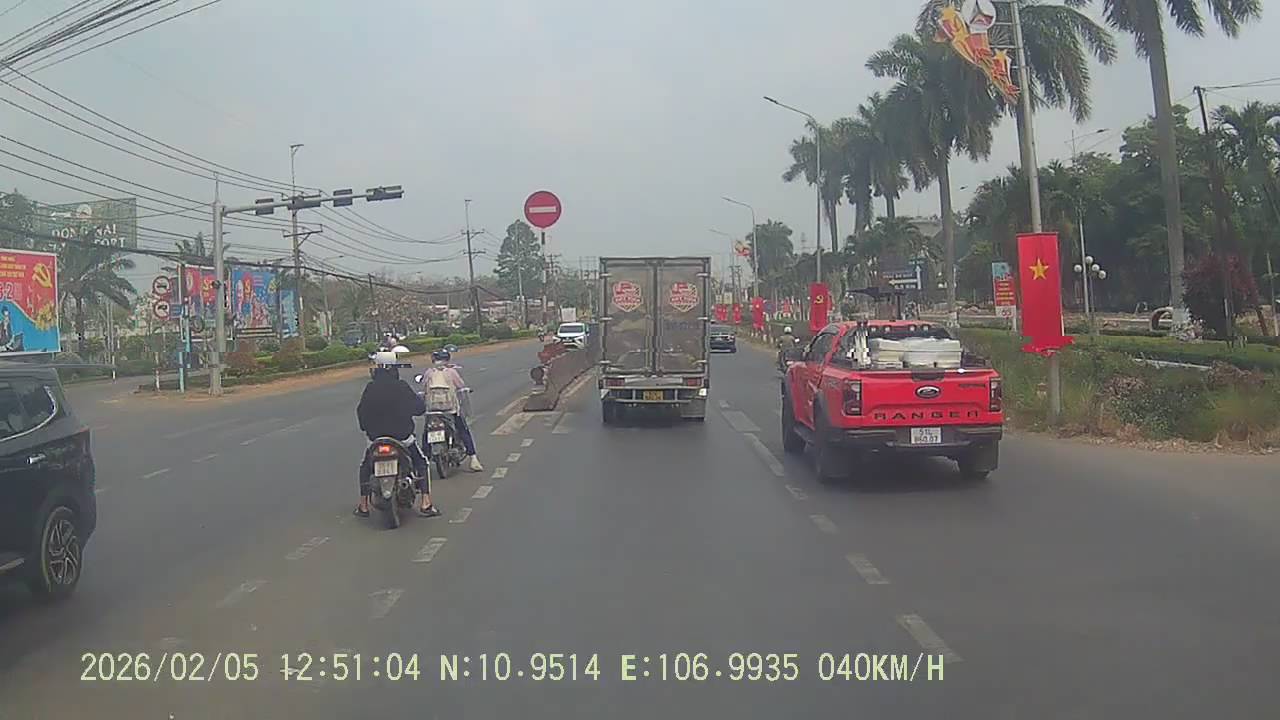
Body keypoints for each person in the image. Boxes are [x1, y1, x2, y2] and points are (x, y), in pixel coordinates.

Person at [355, 351, 441, 518]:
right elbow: (419, 408)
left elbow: (361, 412)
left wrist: (367, 428)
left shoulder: (370, 388)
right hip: (402, 437)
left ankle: (363, 505)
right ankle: (426, 502)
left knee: (366, 466)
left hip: (376, 438)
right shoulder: (401, 386)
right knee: (421, 462)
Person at [422, 349, 483, 472]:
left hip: (432, 410)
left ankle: (424, 461)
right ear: (447, 360)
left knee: (426, 434)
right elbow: (461, 385)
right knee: (463, 430)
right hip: (450, 409)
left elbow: (424, 386)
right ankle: (473, 459)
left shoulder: (429, 372)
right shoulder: (451, 372)